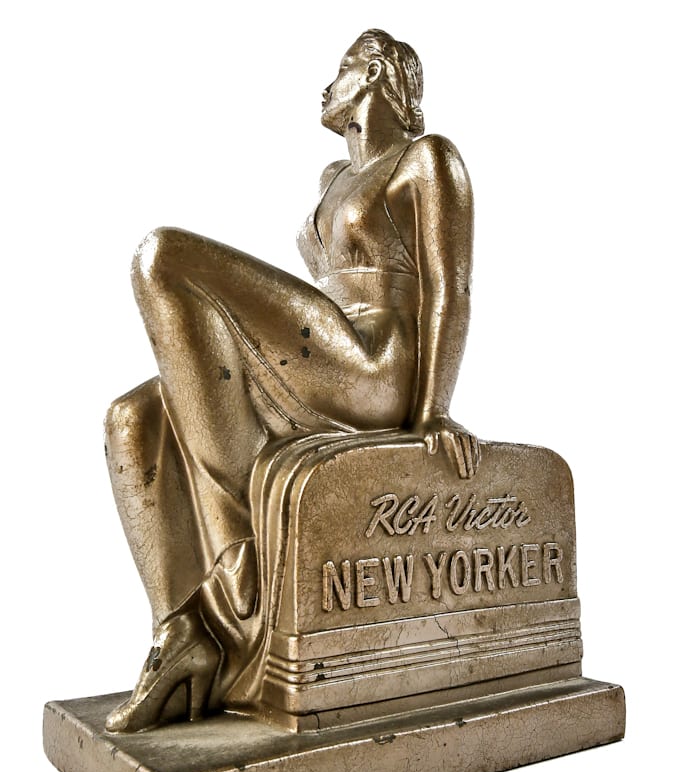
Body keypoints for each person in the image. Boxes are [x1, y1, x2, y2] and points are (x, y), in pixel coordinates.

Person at [104, 29, 479, 732]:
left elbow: (449, 290)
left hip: (375, 364)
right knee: (132, 419)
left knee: (162, 257)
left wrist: (431, 412)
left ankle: (235, 542)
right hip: (319, 361)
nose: (327, 88)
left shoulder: (427, 159)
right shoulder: (330, 179)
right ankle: (179, 632)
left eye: (341, 71)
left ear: (375, 75)